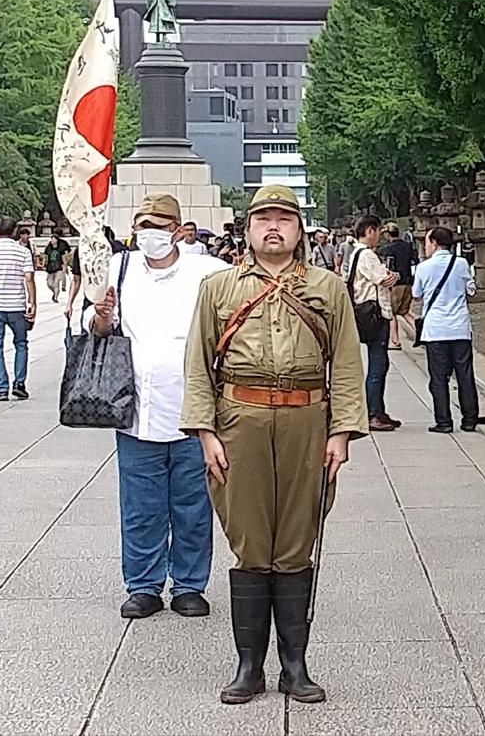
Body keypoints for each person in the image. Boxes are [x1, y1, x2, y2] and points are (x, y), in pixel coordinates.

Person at [181, 184, 368, 706]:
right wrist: (204, 432)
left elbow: (348, 364)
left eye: (283, 218)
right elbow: (197, 364)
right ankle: (248, 665)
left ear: (298, 229)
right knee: (249, 543)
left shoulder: (328, 288)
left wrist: (342, 431)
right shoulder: (218, 289)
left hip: (307, 419)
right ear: (248, 228)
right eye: (263, 217)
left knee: (295, 543)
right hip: (238, 417)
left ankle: (294, 664)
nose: (273, 226)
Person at [87, 194, 229, 619]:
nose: (150, 231)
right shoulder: (119, 269)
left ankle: (189, 583)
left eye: (159, 223)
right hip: (134, 409)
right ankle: (143, 584)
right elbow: (91, 327)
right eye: (142, 223)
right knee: (141, 506)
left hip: (193, 410)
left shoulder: (207, 272)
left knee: (192, 504)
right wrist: (101, 317)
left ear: (179, 228)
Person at [411, 226, 478, 433]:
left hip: (436, 328)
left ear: (434, 243)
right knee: (465, 375)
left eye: (427, 242)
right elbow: (471, 290)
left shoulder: (424, 267)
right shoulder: (461, 263)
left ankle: (444, 421)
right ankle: (469, 420)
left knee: (438, 377)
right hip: (459, 326)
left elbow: (416, 294)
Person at [348, 214, 400, 432]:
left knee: (380, 362)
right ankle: (373, 412)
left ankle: (378, 409)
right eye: (378, 231)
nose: (379, 236)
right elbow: (384, 278)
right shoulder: (367, 254)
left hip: (366, 312)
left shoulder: (355, 254)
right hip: (375, 313)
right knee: (378, 364)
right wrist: (394, 275)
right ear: (370, 231)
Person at [0, 216, 36, 401]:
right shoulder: (22, 251)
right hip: (17, 305)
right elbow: (28, 278)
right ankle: (19, 383)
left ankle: (1, 388)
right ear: (14, 231)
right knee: (20, 343)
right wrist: (32, 302)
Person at [66, 226, 127, 323]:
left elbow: (76, 280)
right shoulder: (82, 251)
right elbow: (76, 279)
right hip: (104, 300)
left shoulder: (84, 251)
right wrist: (69, 303)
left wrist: (69, 304)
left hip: (97, 299)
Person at [382, 223, 417, 351]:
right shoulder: (408, 246)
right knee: (404, 311)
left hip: (397, 283)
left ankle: (395, 340)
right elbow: (415, 262)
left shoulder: (389, 248)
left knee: (391, 313)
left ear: (387, 234)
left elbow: (389, 265)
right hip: (408, 282)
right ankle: (420, 331)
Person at [43, 231, 71, 302]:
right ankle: (55, 292)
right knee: (49, 284)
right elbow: (45, 257)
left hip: (59, 267)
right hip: (50, 268)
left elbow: (63, 258)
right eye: (51, 239)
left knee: (56, 283)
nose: (52, 240)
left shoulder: (60, 248)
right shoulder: (48, 248)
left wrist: (65, 267)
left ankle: (55, 297)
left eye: (54, 239)